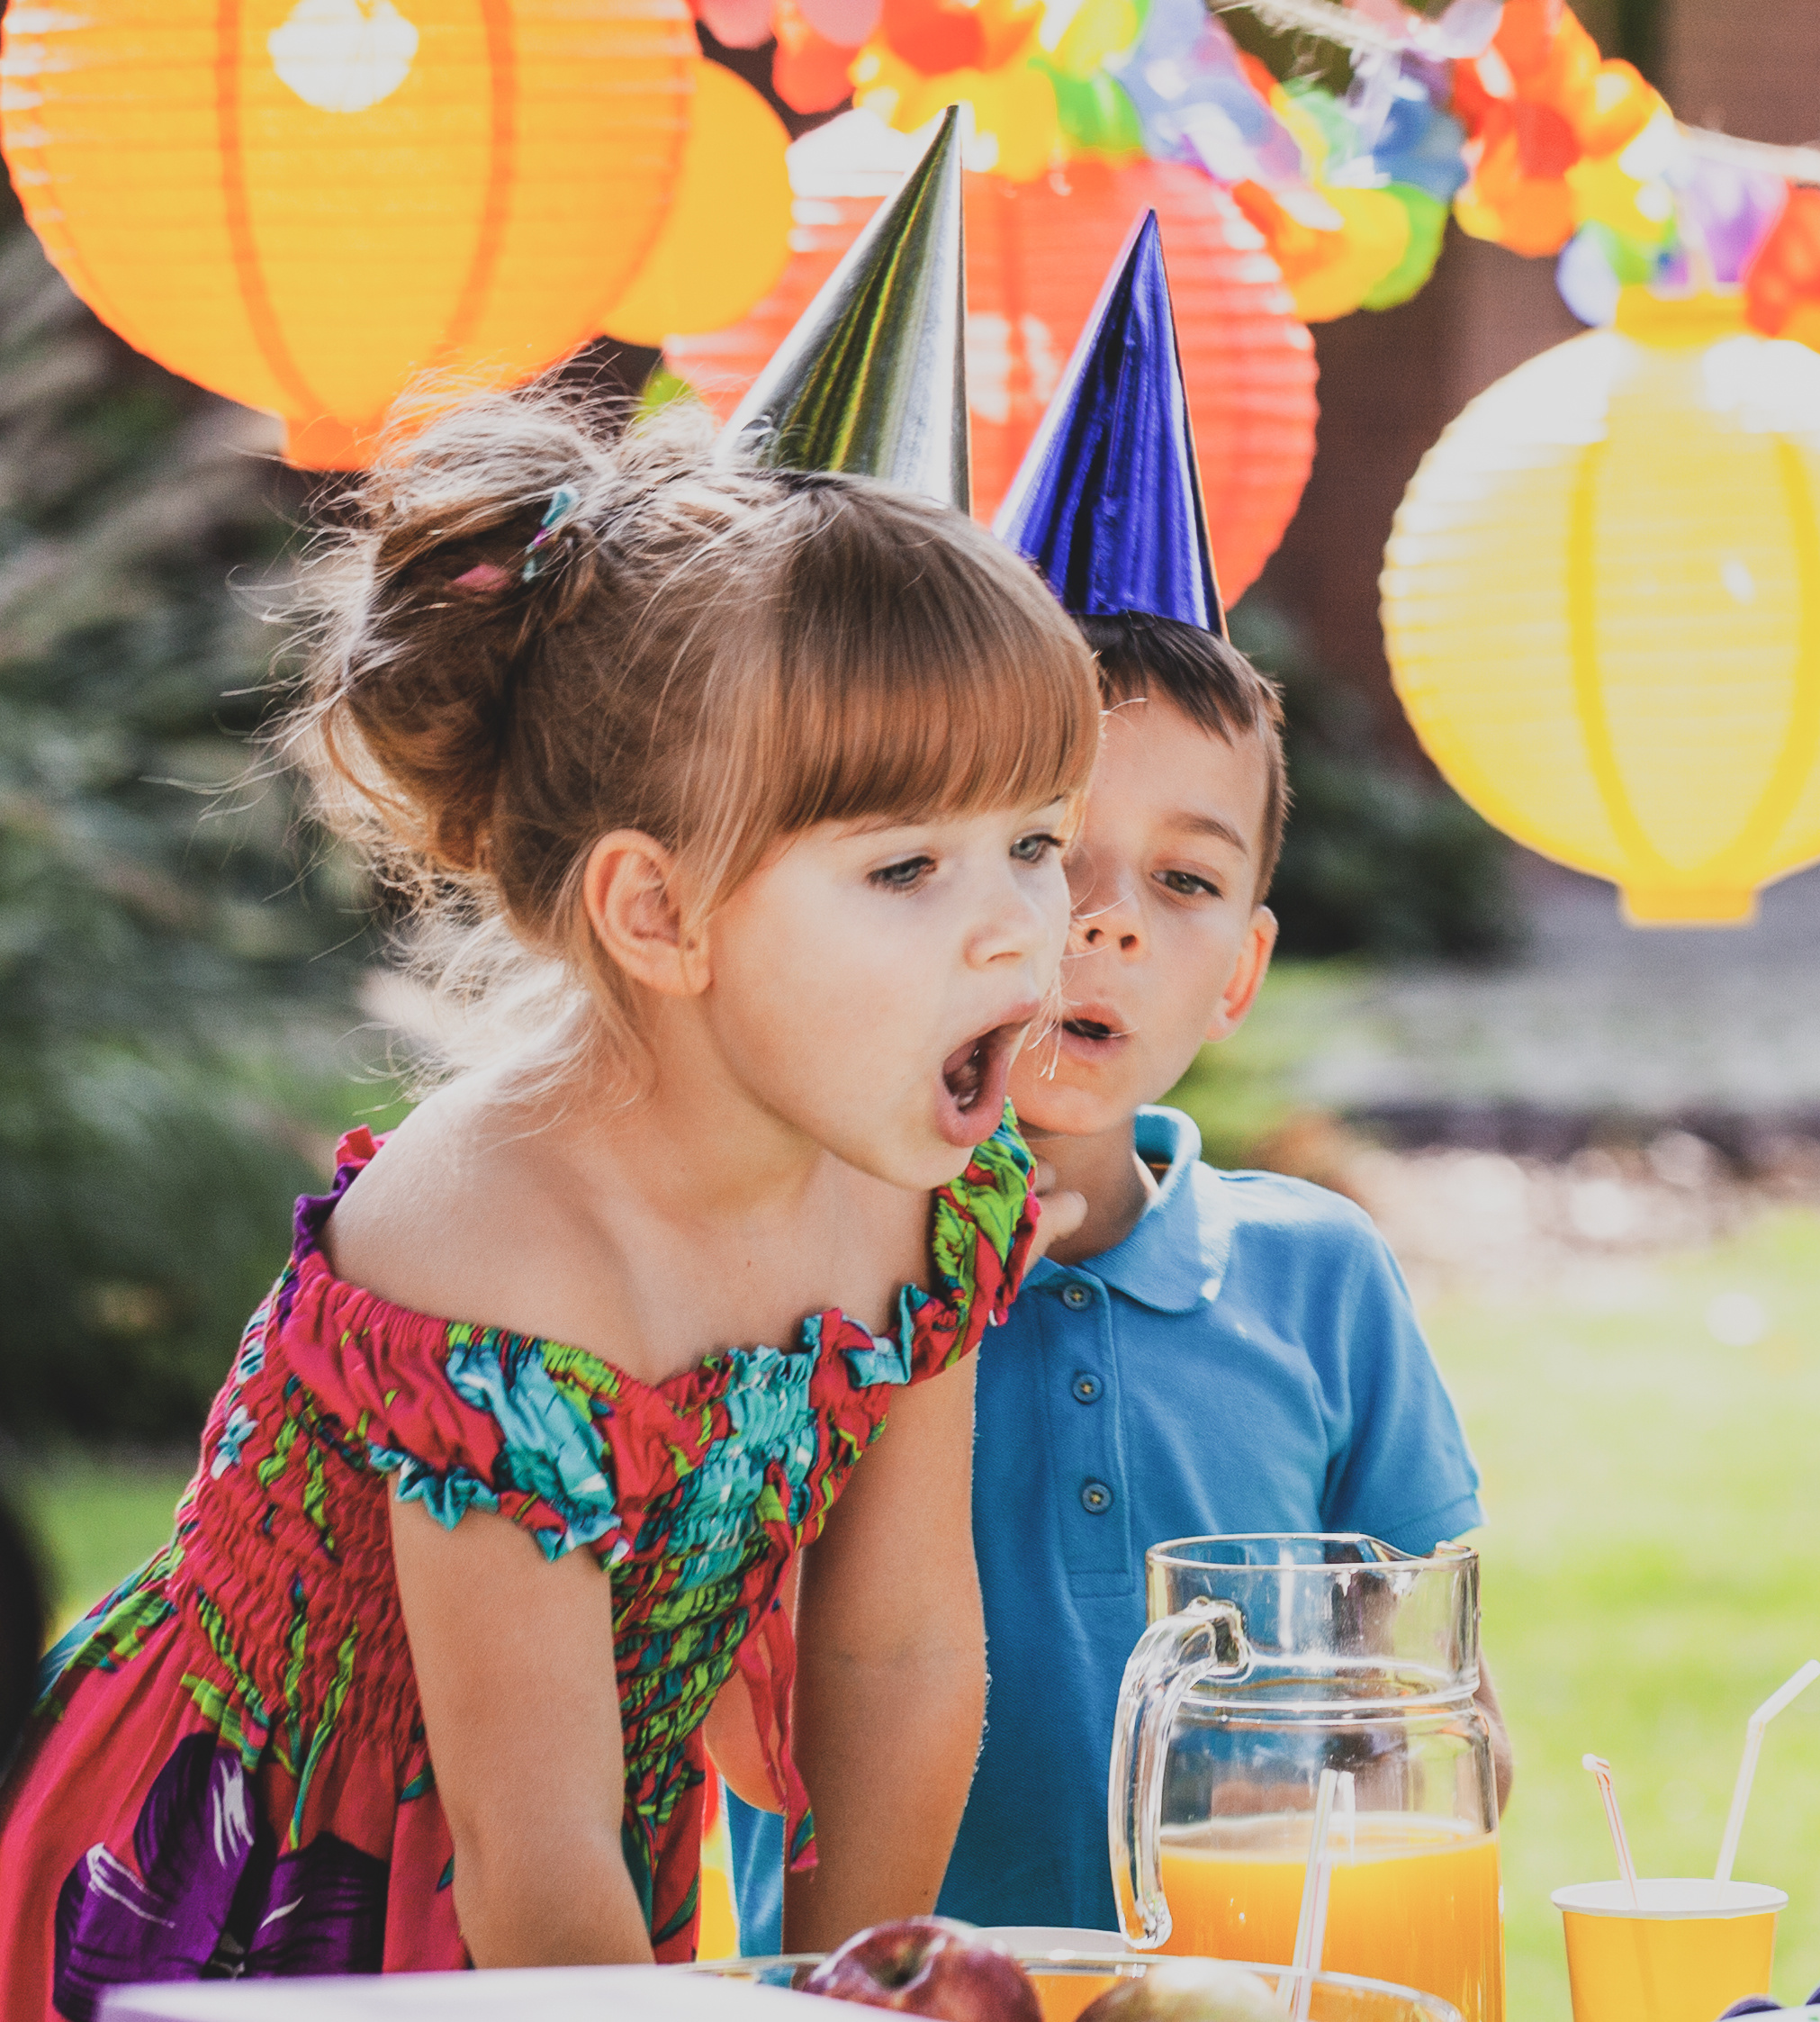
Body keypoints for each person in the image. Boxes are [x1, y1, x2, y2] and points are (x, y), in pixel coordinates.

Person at [0, 379, 1093, 2009]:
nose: (1020, 927)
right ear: (657, 913)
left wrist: (864, 1987)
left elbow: (900, 1647)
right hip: (272, 1890)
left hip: (573, 1888)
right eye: (906, 868)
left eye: (1038, 840)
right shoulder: (494, 1257)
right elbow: (531, 1860)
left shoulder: (918, 1189)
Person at [707, 217, 1489, 1945]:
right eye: (1054, 849)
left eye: (1185, 881)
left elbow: (1422, 1712)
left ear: (1246, 968)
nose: (1105, 926)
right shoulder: (815, 1282)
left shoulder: (1320, 1286)